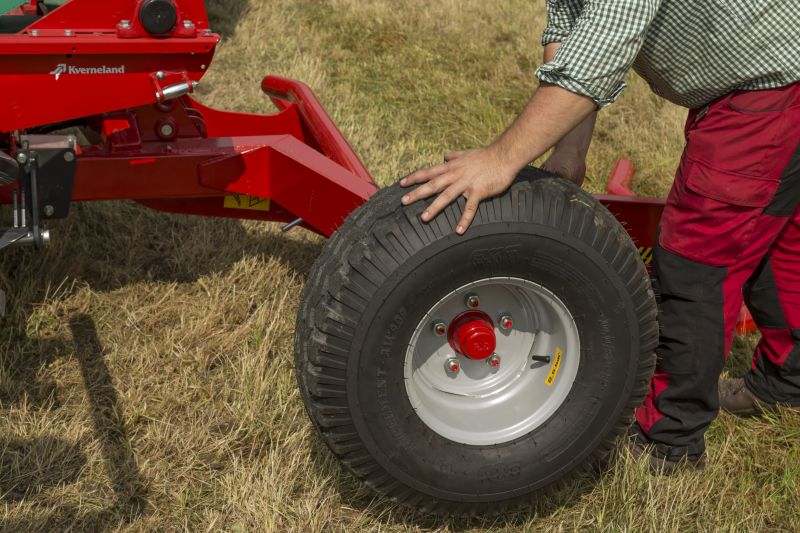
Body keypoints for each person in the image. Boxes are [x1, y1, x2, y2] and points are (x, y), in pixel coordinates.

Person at [399, 1, 800, 472]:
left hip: (770, 89)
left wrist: (501, 158)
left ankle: (668, 440)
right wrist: (569, 156)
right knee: (777, 241)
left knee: (696, 263)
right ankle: (788, 383)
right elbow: (570, 28)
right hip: (772, 76)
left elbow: (607, 42)